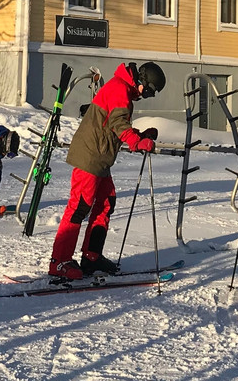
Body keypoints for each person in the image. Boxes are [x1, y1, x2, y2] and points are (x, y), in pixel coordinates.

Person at [48, 61, 166, 280]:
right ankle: (59, 261)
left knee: (106, 203)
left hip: (100, 158)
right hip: (90, 156)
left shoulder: (124, 90)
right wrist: (135, 142)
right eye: (148, 92)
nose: (145, 96)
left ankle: (91, 256)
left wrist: (140, 136)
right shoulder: (120, 88)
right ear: (142, 80)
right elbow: (119, 123)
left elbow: (113, 124)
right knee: (79, 207)